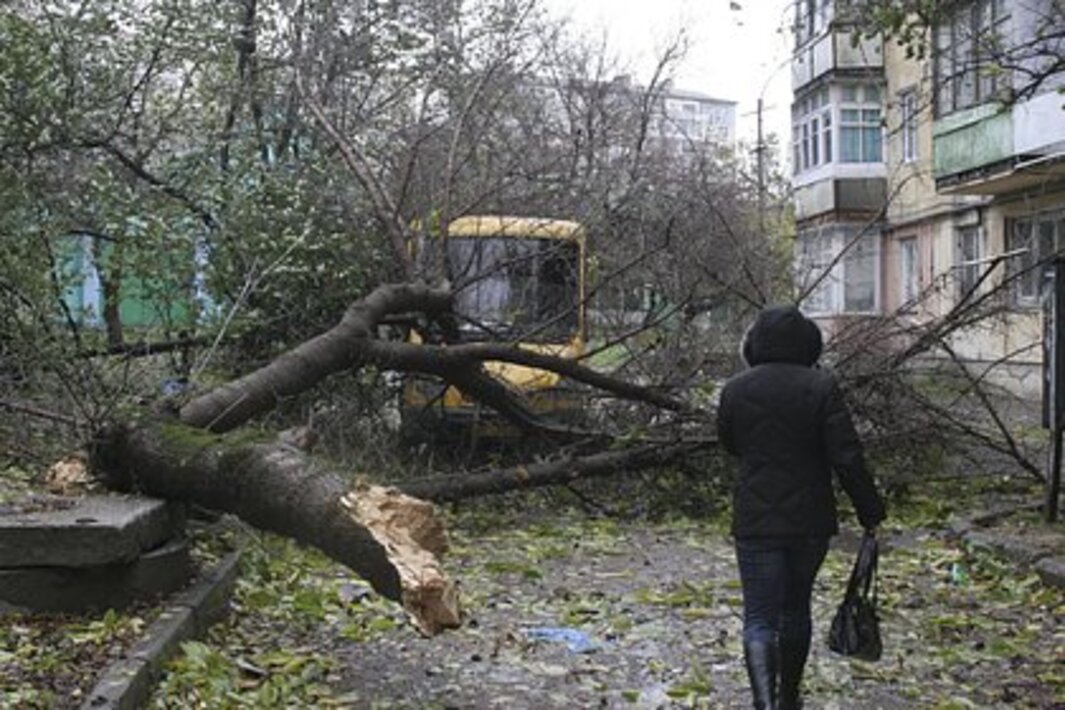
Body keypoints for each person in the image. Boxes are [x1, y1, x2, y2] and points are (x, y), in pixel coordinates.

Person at [717, 305, 885, 710]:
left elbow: (729, 444)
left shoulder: (736, 389)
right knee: (796, 609)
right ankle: (789, 697)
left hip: (755, 520)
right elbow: (846, 456)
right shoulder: (822, 386)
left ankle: (764, 702)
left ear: (754, 343)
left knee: (759, 617)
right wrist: (870, 510)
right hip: (810, 521)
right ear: (809, 343)